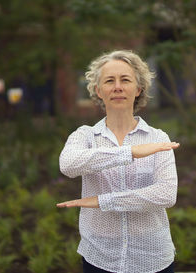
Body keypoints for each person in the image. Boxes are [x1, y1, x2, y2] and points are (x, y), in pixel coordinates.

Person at [56, 50, 180, 273]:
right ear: (99, 91)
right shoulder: (85, 136)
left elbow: (166, 194)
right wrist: (129, 152)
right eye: (109, 81)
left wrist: (104, 201)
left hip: (152, 257)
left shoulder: (158, 139)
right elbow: (68, 164)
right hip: (99, 256)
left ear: (138, 89)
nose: (118, 87)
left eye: (125, 80)